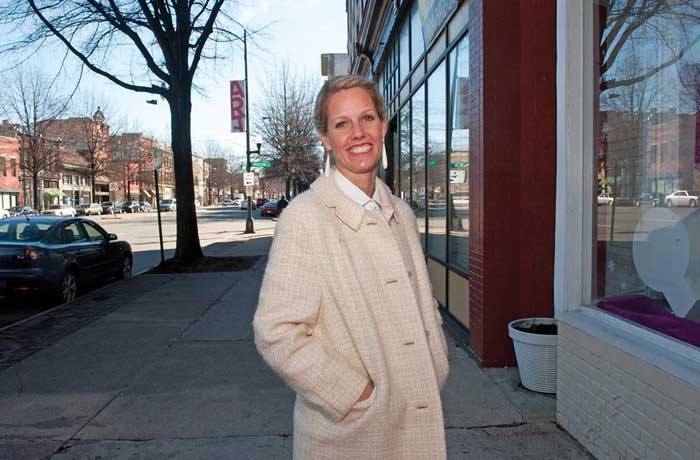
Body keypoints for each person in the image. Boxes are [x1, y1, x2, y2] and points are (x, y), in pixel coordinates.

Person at [253, 75, 449, 460]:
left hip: (417, 415)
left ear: (383, 125)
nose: (358, 133)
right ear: (325, 138)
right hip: (351, 434)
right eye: (342, 124)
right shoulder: (305, 218)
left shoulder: (402, 214)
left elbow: (421, 304)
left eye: (367, 118)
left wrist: (435, 360)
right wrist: (355, 395)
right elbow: (276, 332)